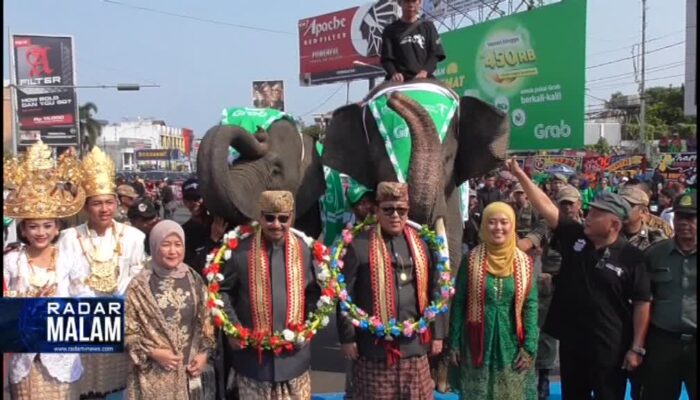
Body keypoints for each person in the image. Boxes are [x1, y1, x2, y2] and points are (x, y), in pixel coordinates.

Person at [507, 158, 651, 400]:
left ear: (614, 224)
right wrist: (520, 175)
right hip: (573, 345)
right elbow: (546, 206)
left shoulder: (632, 257)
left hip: (610, 348)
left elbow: (642, 303)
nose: (587, 216)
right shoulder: (575, 237)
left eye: (595, 214)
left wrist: (636, 347)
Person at [338, 182, 446, 399]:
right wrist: (347, 338)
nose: (395, 215)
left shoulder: (423, 244)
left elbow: (437, 289)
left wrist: (438, 333)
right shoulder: (359, 245)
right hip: (374, 349)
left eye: (401, 210)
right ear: (377, 210)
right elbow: (344, 296)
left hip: (414, 346)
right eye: (388, 209)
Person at [57, 146, 146, 399]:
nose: (104, 209)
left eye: (109, 202)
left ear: (117, 204)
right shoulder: (68, 238)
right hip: (82, 325)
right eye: (97, 203)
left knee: (118, 388)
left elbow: (138, 281)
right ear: (85, 207)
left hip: (121, 325)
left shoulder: (134, 237)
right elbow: (62, 285)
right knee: (84, 389)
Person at [3, 140, 90, 399]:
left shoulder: (69, 257)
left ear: (56, 228)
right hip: (24, 355)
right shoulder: (11, 260)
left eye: (47, 226)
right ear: (23, 229)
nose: (40, 232)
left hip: (61, 353)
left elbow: (84, 297)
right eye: (33, 226)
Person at [219, 191, 321, 398]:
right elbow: (222, 291)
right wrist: (232, 329)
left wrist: (307, 326)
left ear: (291, 218)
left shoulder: (304, 249)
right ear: (260, 217)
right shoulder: (239, 249)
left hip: (294, 358)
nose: (276, 224)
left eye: (283, 218)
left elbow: (313, 293)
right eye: (270, 218)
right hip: (252, 360)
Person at [448, 201, 538, 399]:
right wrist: (454, 343)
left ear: (512, 225)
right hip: (476, 341)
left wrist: (529, 347)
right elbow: (459, 302)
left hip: (512, 342)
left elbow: (530, 306)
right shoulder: (471, 260)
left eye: (504, 222)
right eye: (492, 222)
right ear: (483, 226)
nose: (498, 228)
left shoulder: (524, 263)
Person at [125, 220, 216, 400]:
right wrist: (154, 353)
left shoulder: (193, 278)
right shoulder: (139, 285)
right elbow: (127, 331)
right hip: (153, 375)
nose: (173, 251)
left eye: (178, 244)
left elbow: (207, 320)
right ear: (154, 246)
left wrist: (203, 354)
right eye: (166, 245)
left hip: (190, 372)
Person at [517, 185, 584, 400]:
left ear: (579, 205)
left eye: (570, 204)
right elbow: (530, 241)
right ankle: (543, 376)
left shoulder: (589, 227)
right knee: (544, 332)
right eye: (562, 203)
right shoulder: (547, 226)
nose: (566, 209)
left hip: (579, 289)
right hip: (551, 284)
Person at [640, 192, 696, 400]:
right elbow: (643, 300)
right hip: (664, 342)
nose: (683, 223)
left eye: (690, 218)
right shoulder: (655, 254)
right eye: (680, 217)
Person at [380, 0, 445, 82]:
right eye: (407, 2)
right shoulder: (390, 30)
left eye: (414, 1)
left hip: (425, 80)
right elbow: (386, 59)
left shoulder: (428, 27)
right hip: (398, 83)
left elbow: (435, 54)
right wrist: (394, 73)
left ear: (419, 2)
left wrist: (425, 71)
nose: (410, 5)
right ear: (400, 3)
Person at [180, 178, 227, 274]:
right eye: (190, 199)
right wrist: (213, 239)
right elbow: (193, 266)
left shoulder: (220, 222)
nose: (196, 203)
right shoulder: (184, 232)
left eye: (198, 198)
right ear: (184, 202)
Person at [619, 186, 668, 251]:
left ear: (643, 212)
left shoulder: (655, 240)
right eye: (619, 205)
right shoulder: (607, 235)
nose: (622, 209)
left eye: (628, 205)